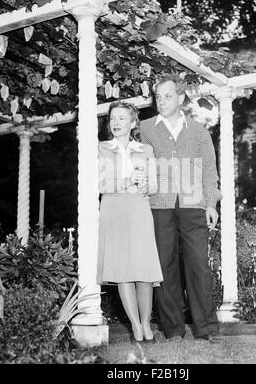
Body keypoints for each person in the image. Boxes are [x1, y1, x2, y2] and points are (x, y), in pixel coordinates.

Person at [140, 75, 222, 341]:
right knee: (164, 266)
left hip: (193, 203)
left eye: (167, 96)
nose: (161, 101)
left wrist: (211, 203)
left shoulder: (198, 130)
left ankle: (206, 328)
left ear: (180, 98)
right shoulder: (144, 128)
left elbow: (209, 169)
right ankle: (173, 329)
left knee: (198, 264)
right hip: (158, 204)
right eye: (158, 97)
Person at [97, 101, 163, 343]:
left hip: (139, 208)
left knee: (144, 270)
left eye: (122, 118)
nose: (116, 123)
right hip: (113, 209)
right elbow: (100, 185)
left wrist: (146, 185)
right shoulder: (101, 148)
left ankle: (146, 323)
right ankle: (135, 325)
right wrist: (127, 181)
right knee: (123, 270)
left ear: (133, 122)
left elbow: (154, 186)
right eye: (113, 118)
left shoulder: (146, 149)